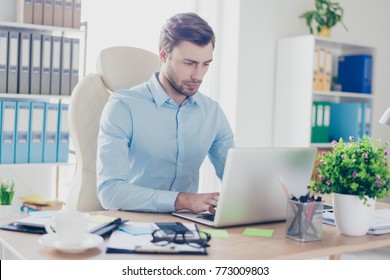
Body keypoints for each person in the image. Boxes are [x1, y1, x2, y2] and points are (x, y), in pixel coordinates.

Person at [96, 12, 234, 214]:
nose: (198, 75)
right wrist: (184, 200)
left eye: (205, 64)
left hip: (187, 227)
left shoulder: (212, 112)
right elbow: (109, 191)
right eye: (189, 63)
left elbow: (236, 178)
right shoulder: (123, 106)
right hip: (133, 223)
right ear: (163, 55)